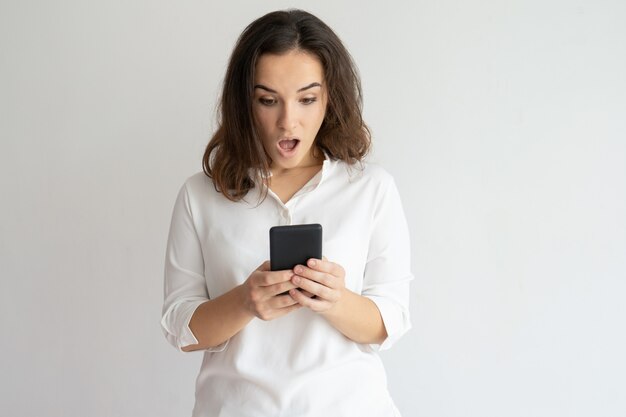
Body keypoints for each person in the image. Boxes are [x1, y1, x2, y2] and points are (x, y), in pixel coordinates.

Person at [161, 9, 413, 417]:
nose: (287, 121)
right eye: (268, 100)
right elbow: (181, 329)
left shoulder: (371, 188)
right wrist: (245, 301)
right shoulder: (200, 195)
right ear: (245, 103)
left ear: (330, 98)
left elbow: (390, 321)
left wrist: (335, 299)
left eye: (307, 99)